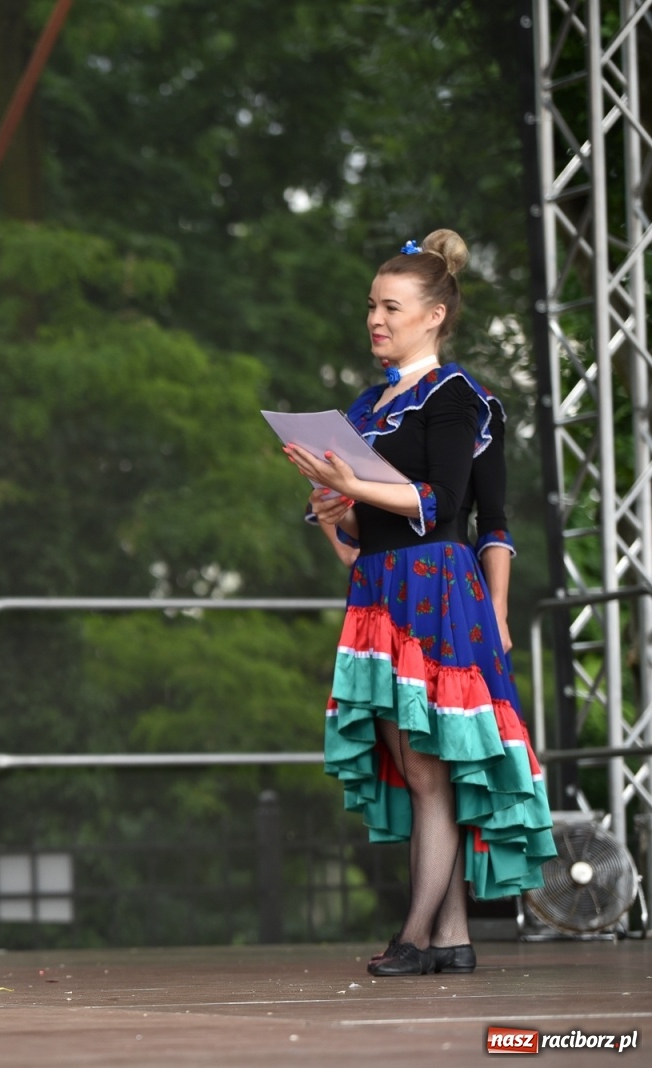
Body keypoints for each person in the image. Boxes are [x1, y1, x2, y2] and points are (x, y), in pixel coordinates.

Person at [286, 229, 553, 978]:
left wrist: (498, 613)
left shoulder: (456, 395)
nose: (376, 318)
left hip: (436, 588)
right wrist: (336, 512)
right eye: (371, 306)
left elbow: (447, 506)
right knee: (415, 765)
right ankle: (452, 937)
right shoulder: (368, 405)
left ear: (434, 315)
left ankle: (413, 936)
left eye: (391, 307)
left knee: (431, 766)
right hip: (380, 589)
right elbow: (359, 540)